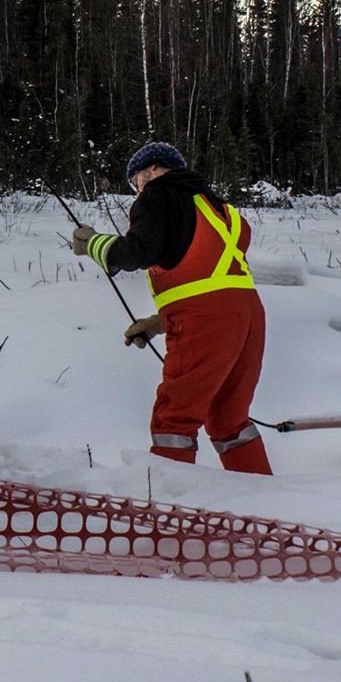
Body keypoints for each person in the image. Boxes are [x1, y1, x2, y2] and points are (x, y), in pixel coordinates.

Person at [69, 142, 273, 475]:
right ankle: (266, 505)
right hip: (249, 316)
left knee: (174, 418)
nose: (137, 191)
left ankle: (169, 510)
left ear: (150, 171)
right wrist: (160, 322)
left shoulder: (157, 194)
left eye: (135, 182)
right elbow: (210, 275)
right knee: (230, 420)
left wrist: (93, 243)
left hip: (205, 319)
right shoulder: (219, 207)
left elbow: (140, 252)